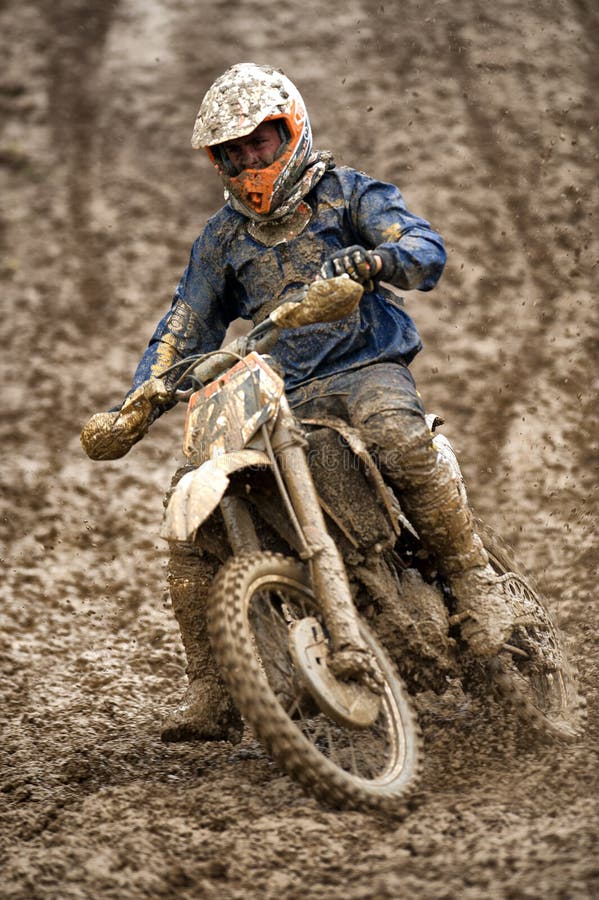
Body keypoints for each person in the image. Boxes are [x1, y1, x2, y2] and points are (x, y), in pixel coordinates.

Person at [81, 63, 513, 743]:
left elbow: (423, 247)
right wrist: (135, 405)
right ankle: (213, 685)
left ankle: (473, 577)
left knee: (399, 440)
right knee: (188, 508)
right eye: (232, 152)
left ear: (292, 130)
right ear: (218, 161)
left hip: (364, 368)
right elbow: (184, 324)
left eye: (260, 142)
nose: (249, 162)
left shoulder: (348, 194)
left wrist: (372, 263)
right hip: (275, 389)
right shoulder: (222, 238)